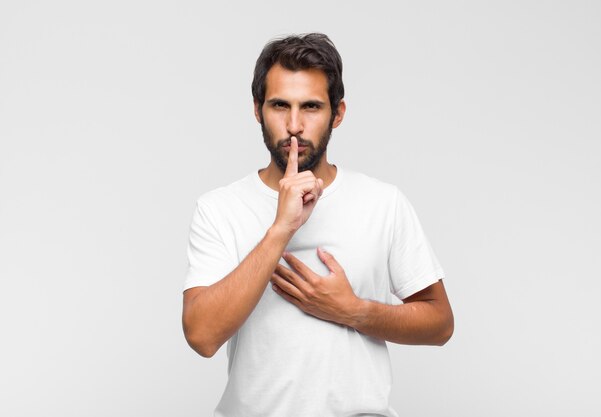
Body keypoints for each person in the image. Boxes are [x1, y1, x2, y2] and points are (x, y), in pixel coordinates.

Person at [182, 33, 454, 417]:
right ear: (258, 110)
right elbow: (202, 335)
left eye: (311, 107)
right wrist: (281, 229)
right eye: (280, 105)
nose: (294, 125)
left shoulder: (383, 203)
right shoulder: (220, 208)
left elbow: (439, 323)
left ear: (338, 113)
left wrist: (355, 311)